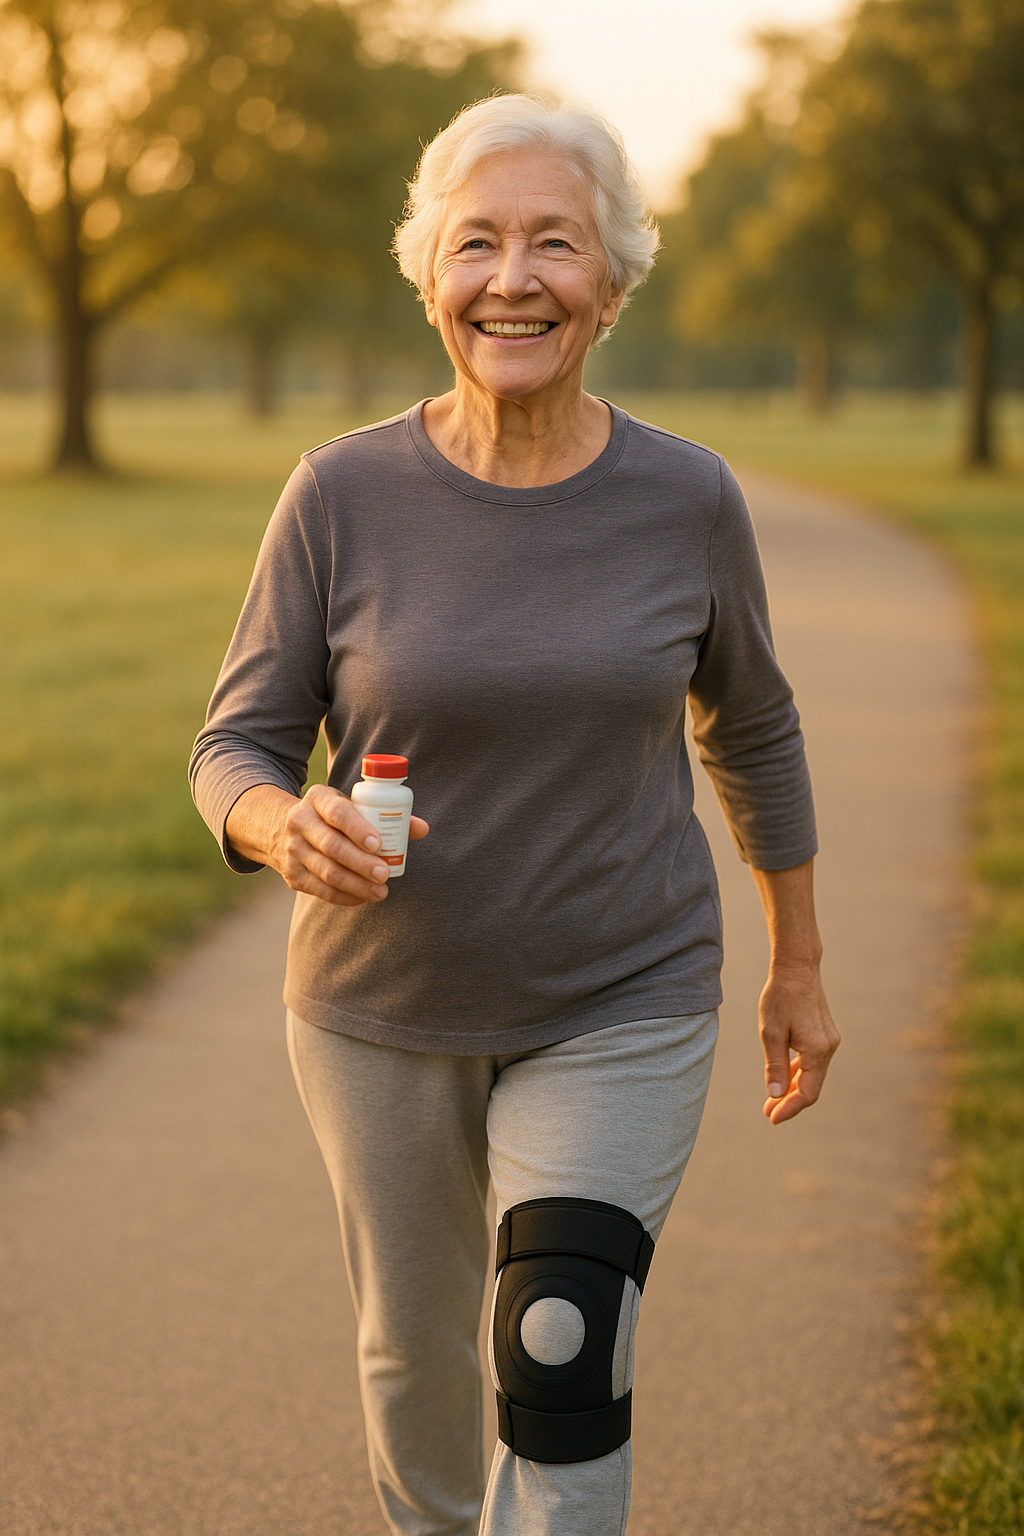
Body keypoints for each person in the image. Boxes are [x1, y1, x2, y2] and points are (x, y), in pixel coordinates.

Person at [189, 92, 839, 1536]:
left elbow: (757, 724)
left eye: (556, 244)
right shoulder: (339, 496)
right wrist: (274, 824)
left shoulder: (686, 499)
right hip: (377, 1009)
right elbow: (234, 744)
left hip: (622, 990)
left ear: (610, 285)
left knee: (558, 1342)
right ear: (430, 279)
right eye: (477, 243)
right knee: (414, 1365)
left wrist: (796, 959)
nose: (513, 277)